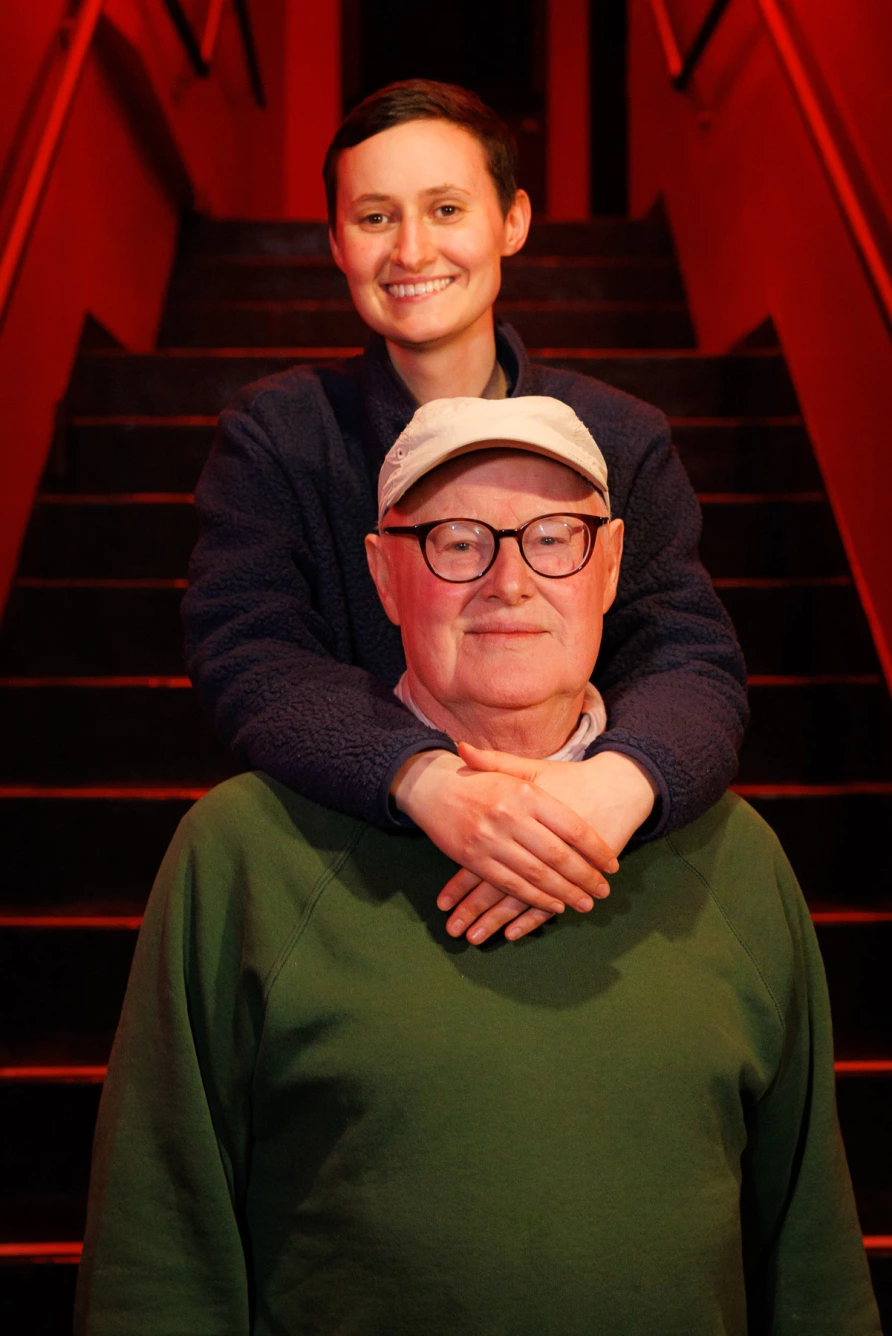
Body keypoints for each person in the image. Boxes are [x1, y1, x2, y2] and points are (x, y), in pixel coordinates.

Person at [75, 397, 879, 1334]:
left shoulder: (734, 857)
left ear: (611, 564)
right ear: (385, 576)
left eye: (554, 538)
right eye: (457, 543)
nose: (510, 582)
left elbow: (812, 1257)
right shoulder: (244, 853)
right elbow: (156, 1250)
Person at [182, 79, 749, 945]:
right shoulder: (280, 436)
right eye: (375, 217)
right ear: (335, 242)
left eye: (446, 208)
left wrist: (616, 784)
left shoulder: (622, 438)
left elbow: (691, 654)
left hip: (584, 857)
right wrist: (424, 779)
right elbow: (248, 648)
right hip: (356, 869)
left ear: (512, 221)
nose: (412, 250)